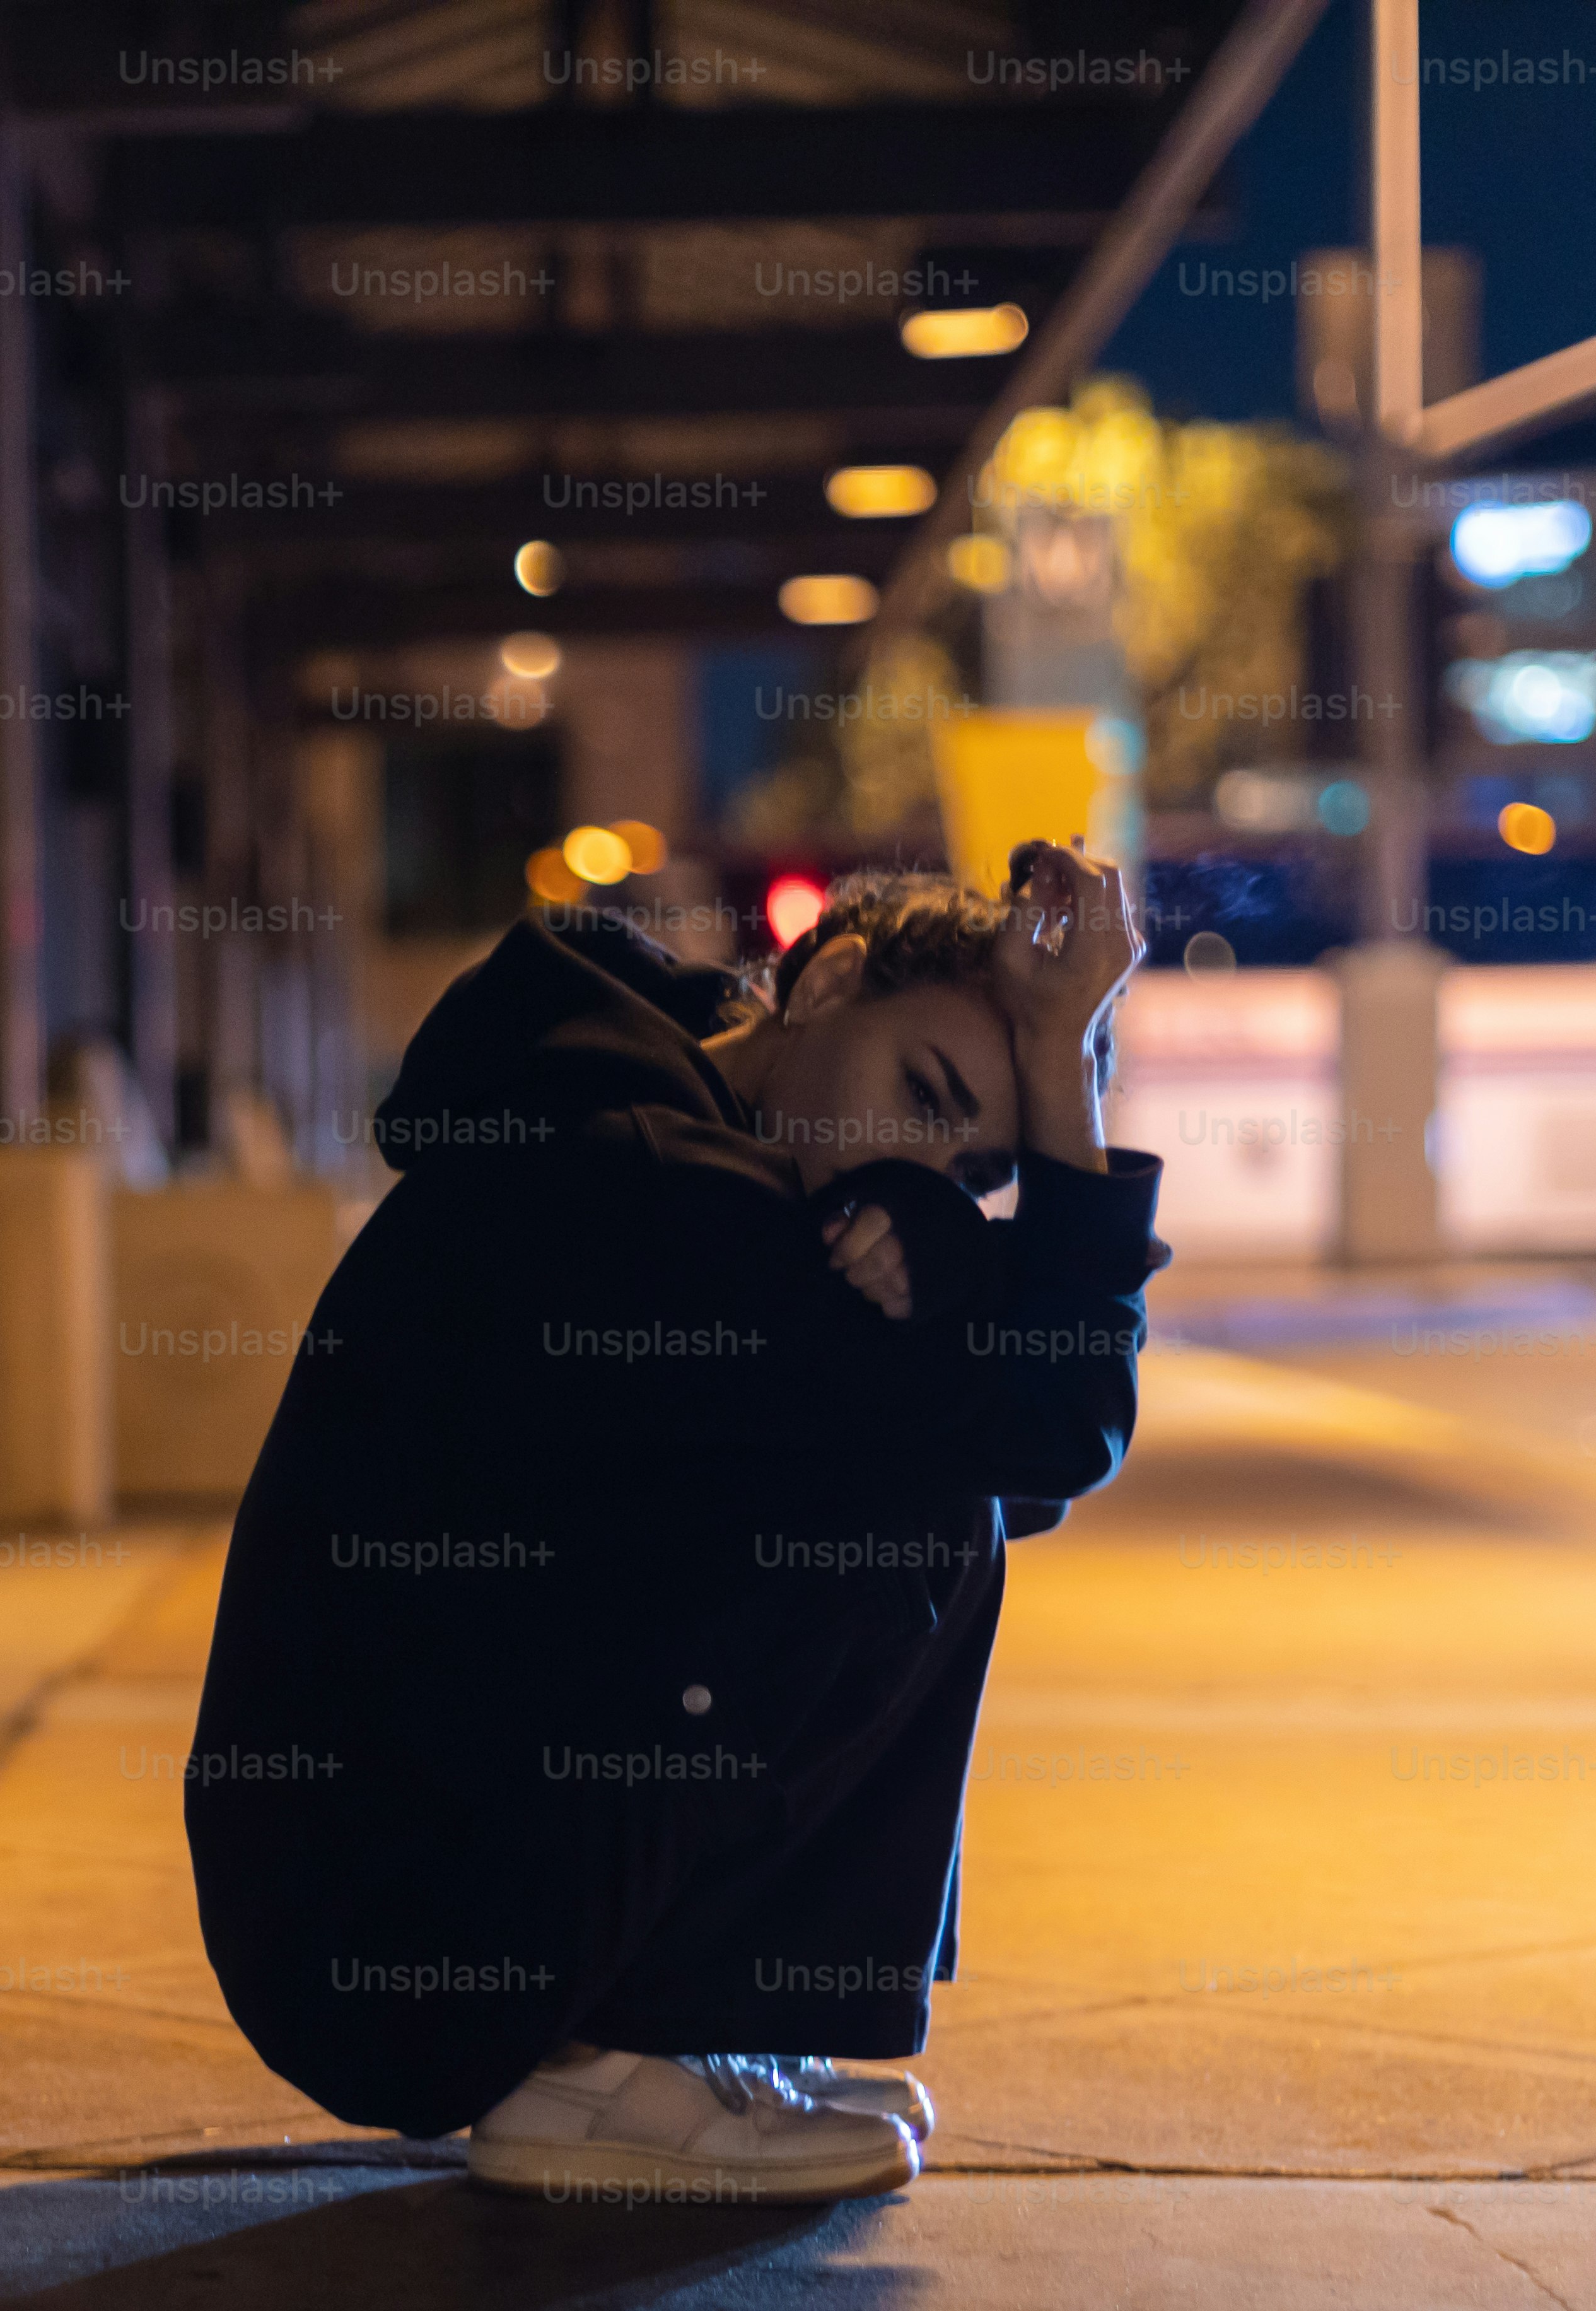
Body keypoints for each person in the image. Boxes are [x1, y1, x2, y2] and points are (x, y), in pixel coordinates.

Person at [184, 842, 1169, 2199]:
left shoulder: (623, 1111)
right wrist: (1054, 1085)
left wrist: (962, 1225)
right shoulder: (636, 1170)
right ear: (824, 986)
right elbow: (1058, 1421)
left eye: (970, 1163)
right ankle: (611, 2059)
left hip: (403, 1896)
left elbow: (1036, 1460)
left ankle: (691, 2028)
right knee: (907, 1504)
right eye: (922, 1093)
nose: (922, 1165)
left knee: (941, 1489)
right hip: (405, 1940)